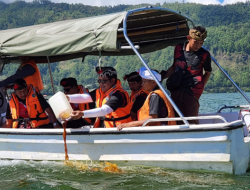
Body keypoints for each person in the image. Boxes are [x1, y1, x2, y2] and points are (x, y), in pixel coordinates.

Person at [161, 26, 212, 124]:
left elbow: (208, 72)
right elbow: (173, 67)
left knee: (191, 118)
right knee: (175, 117)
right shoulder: (178, 48)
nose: (198, 46)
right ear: (188, 38)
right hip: (177, 88)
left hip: (192, 91)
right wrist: (161, 77)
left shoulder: (205, 54)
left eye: (201, 43)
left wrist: (200, 87)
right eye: (195, 42)